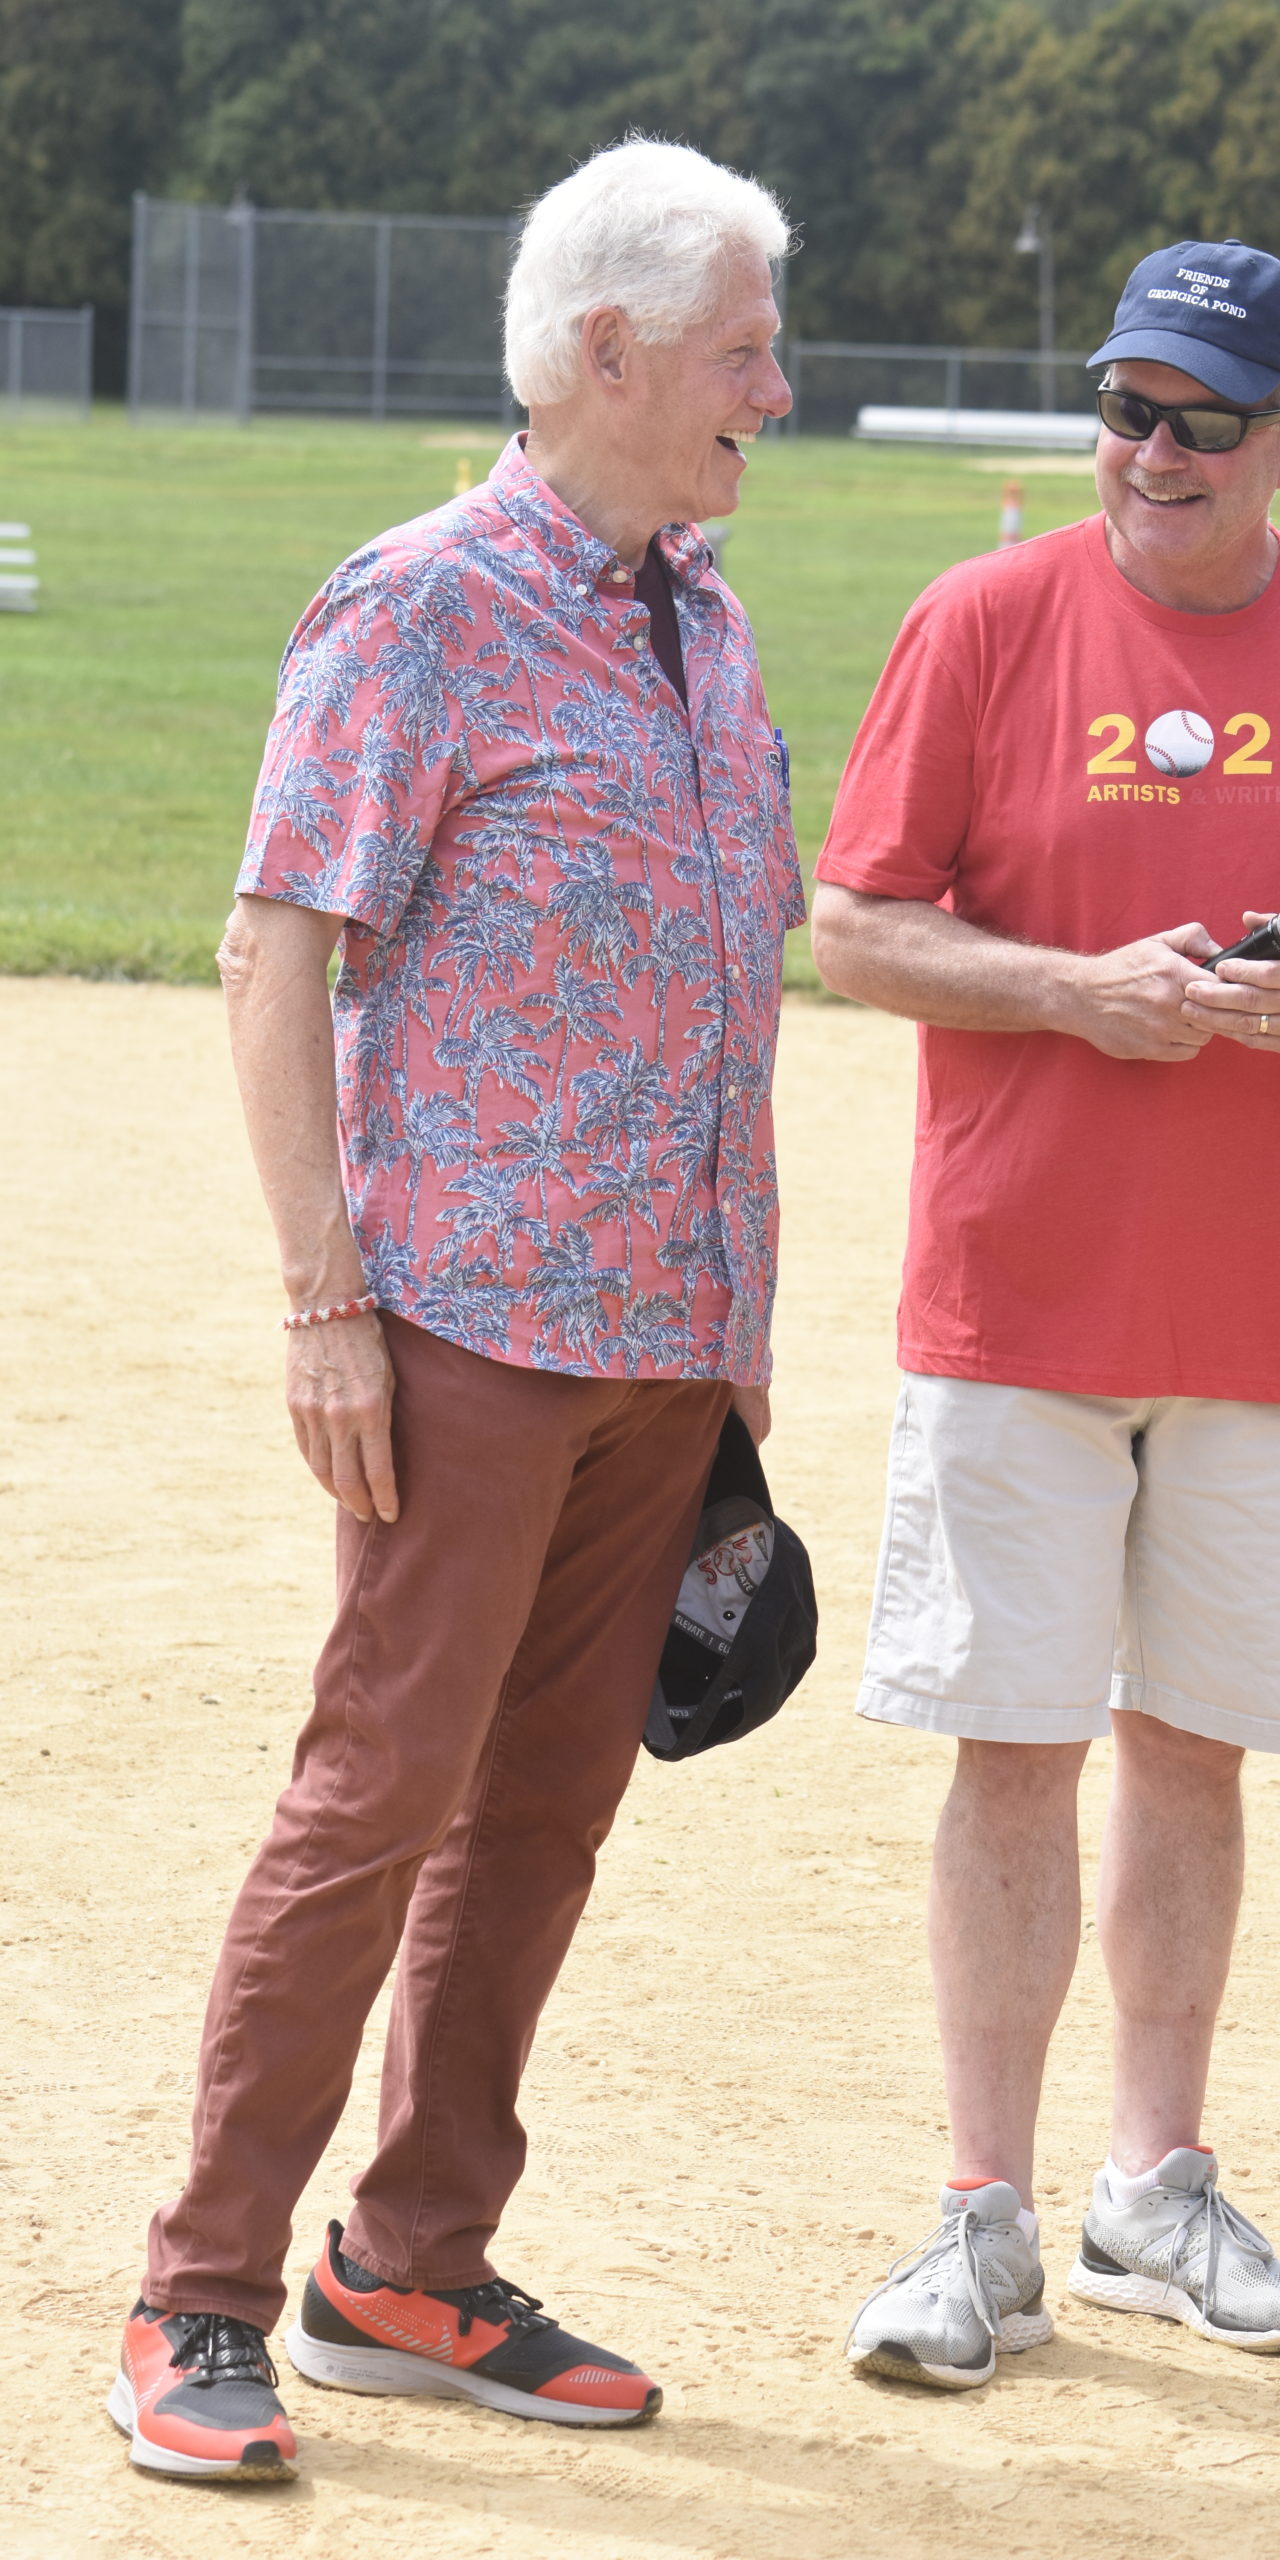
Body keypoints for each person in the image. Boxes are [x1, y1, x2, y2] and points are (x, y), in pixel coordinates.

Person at [109, 138, 800, 2482]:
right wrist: (322, 1300)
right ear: (602, 353)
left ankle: (408, 2257)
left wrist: (738, 1330)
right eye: (740, 350)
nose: (773, 394)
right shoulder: (413, 605)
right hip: (467, 1321)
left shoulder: (696, 618)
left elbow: (728, 984)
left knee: (545, 1807)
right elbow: (274, 945)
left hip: (656, 1342)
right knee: (378, 1784)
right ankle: (198, 2283)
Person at [815, 238, 1280, 2391]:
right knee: (1011, 1754)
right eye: (1123, 405)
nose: (1147, 451)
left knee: (1189, 1757)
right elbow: (849, 922)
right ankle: (980, 2212)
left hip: (1267, 1310)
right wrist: (1072, 988)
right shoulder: (984, 618)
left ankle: (1153, 2186)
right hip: (1017, 1288)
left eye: (1199, 417)